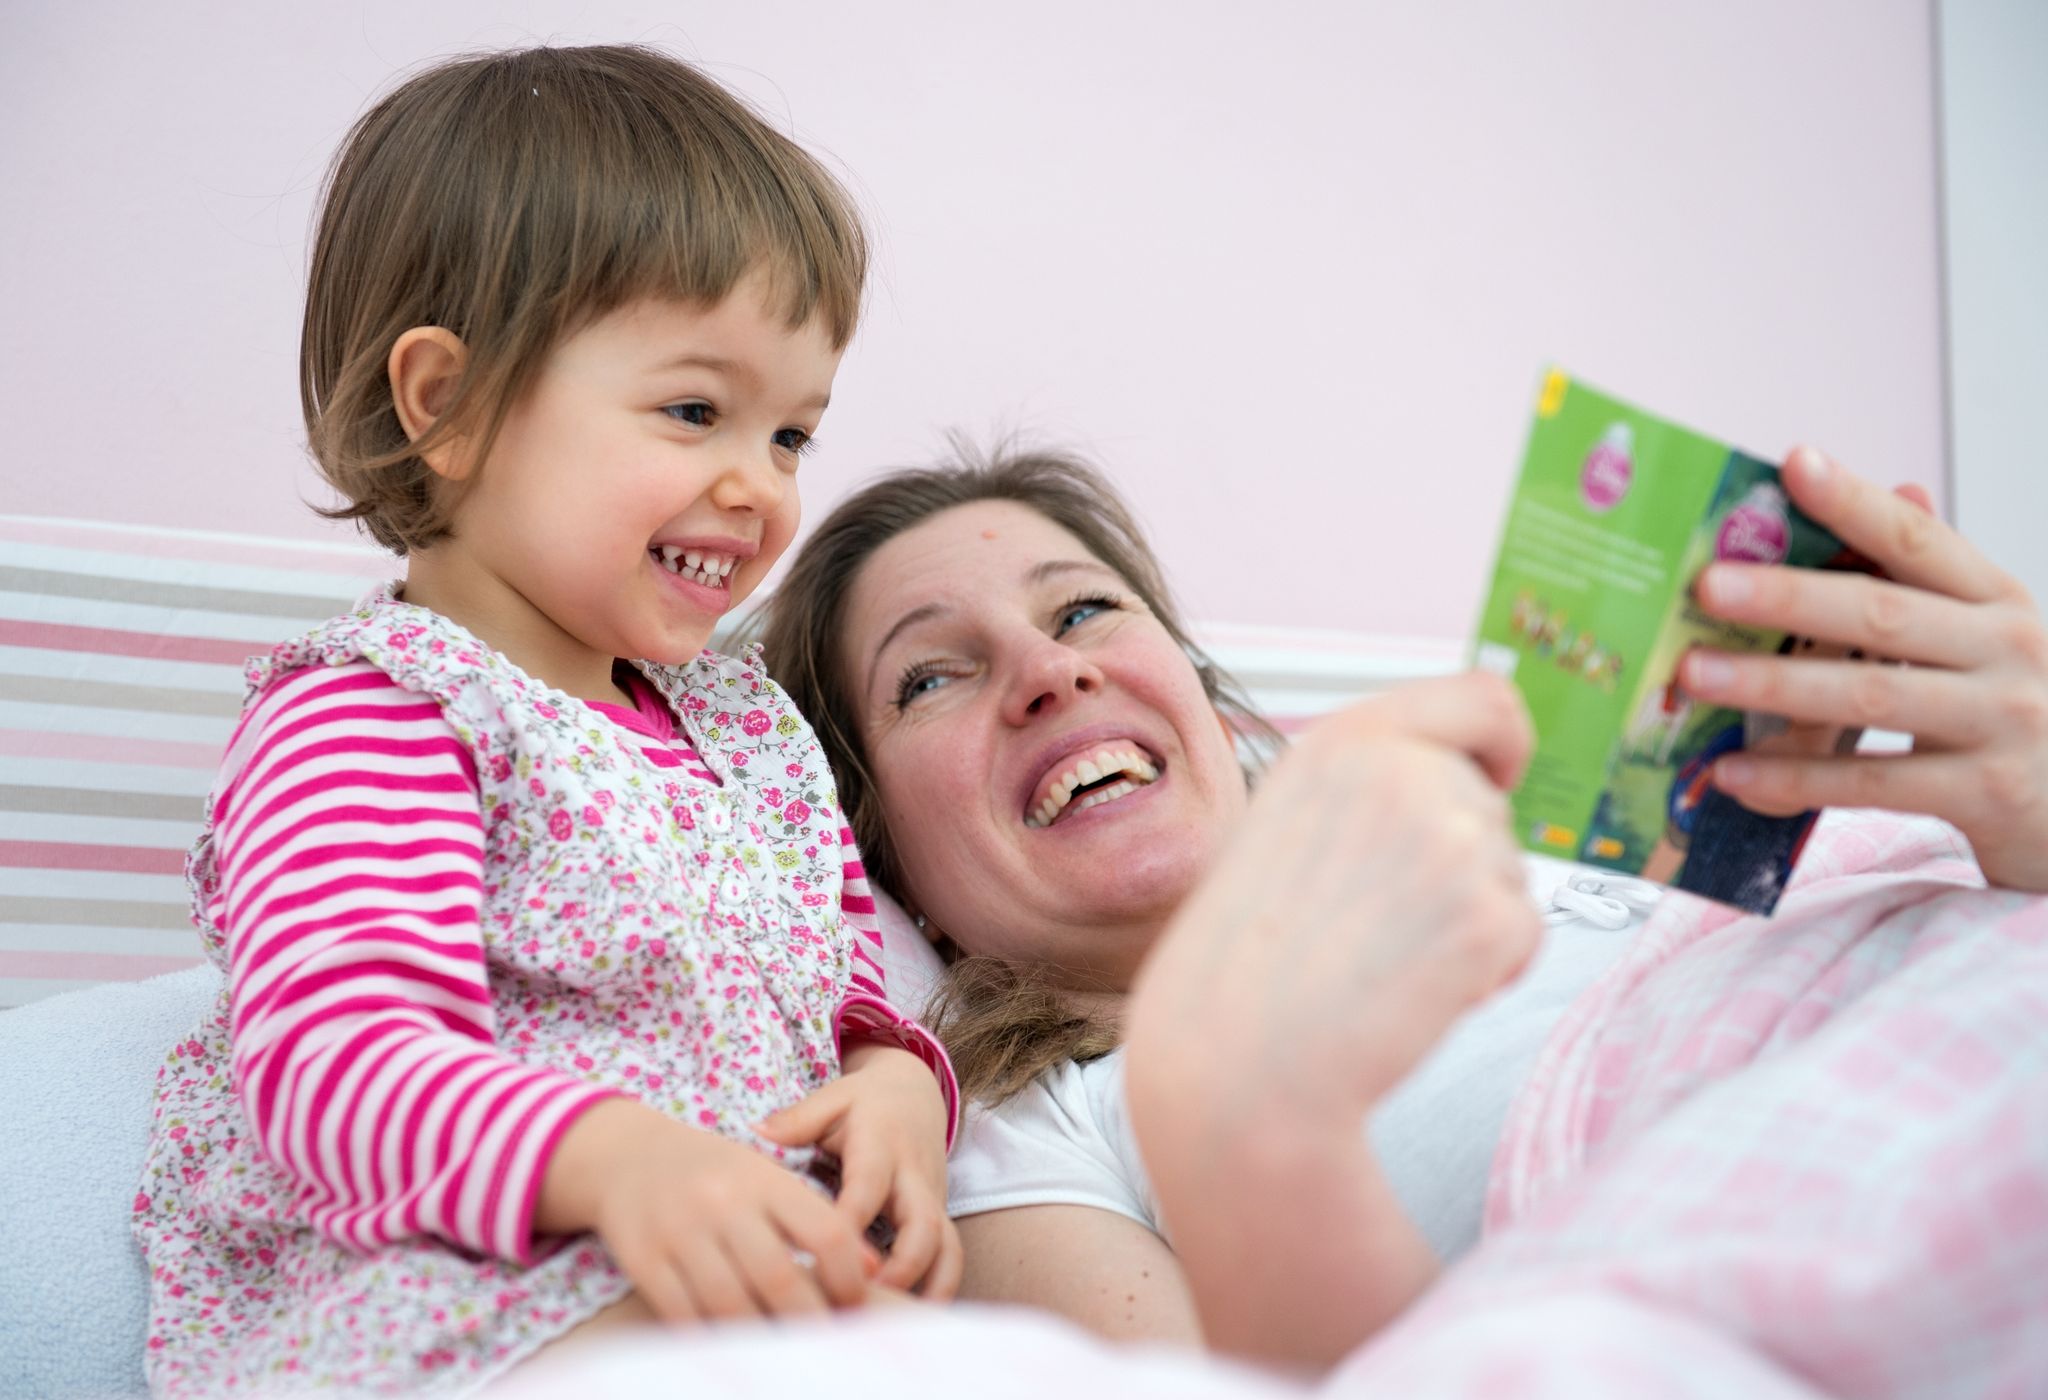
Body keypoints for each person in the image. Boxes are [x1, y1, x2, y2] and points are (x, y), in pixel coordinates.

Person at [758, 441, 2048, 1381]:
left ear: (1204, 698)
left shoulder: (1567, 817)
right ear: (877, 856)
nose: (1051, 671)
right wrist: (1244, 1107)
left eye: (1086, 607)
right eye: (932, 675)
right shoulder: (1025, 1136)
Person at [131, 45, 961, 1397]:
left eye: (792, 436)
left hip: (720, 1281)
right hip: (466, 1304)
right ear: (446, 407)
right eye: (695, 411)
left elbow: (839, 987)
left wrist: (899, 1092)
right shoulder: (381, 713)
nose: (757, 486)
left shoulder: (744, 735)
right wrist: (616, 1159)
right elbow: (336, 1066)